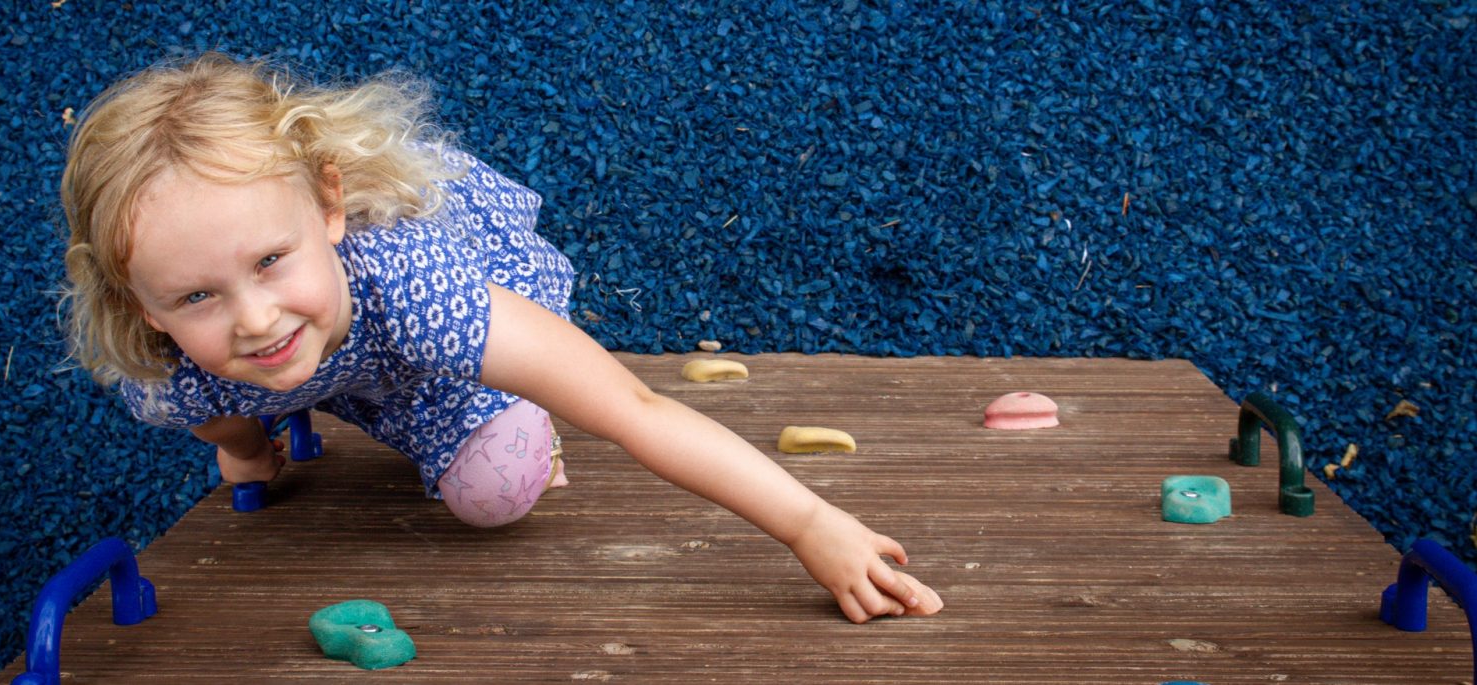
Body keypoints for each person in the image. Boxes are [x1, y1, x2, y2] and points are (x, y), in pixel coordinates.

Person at [59, 52, 943, 623]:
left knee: (497, 484)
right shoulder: (172, 373)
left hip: (436, 308)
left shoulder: (421, 284)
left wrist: (811, 524)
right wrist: (248, 454)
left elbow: (631, 410)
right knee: (256, 372)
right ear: (143, 306)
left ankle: (491, 398)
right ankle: (346, 372)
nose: (252, 318)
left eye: (270, 259)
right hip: (349, 344)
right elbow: (218, 418)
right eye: (198, 294)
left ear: (328, 207)